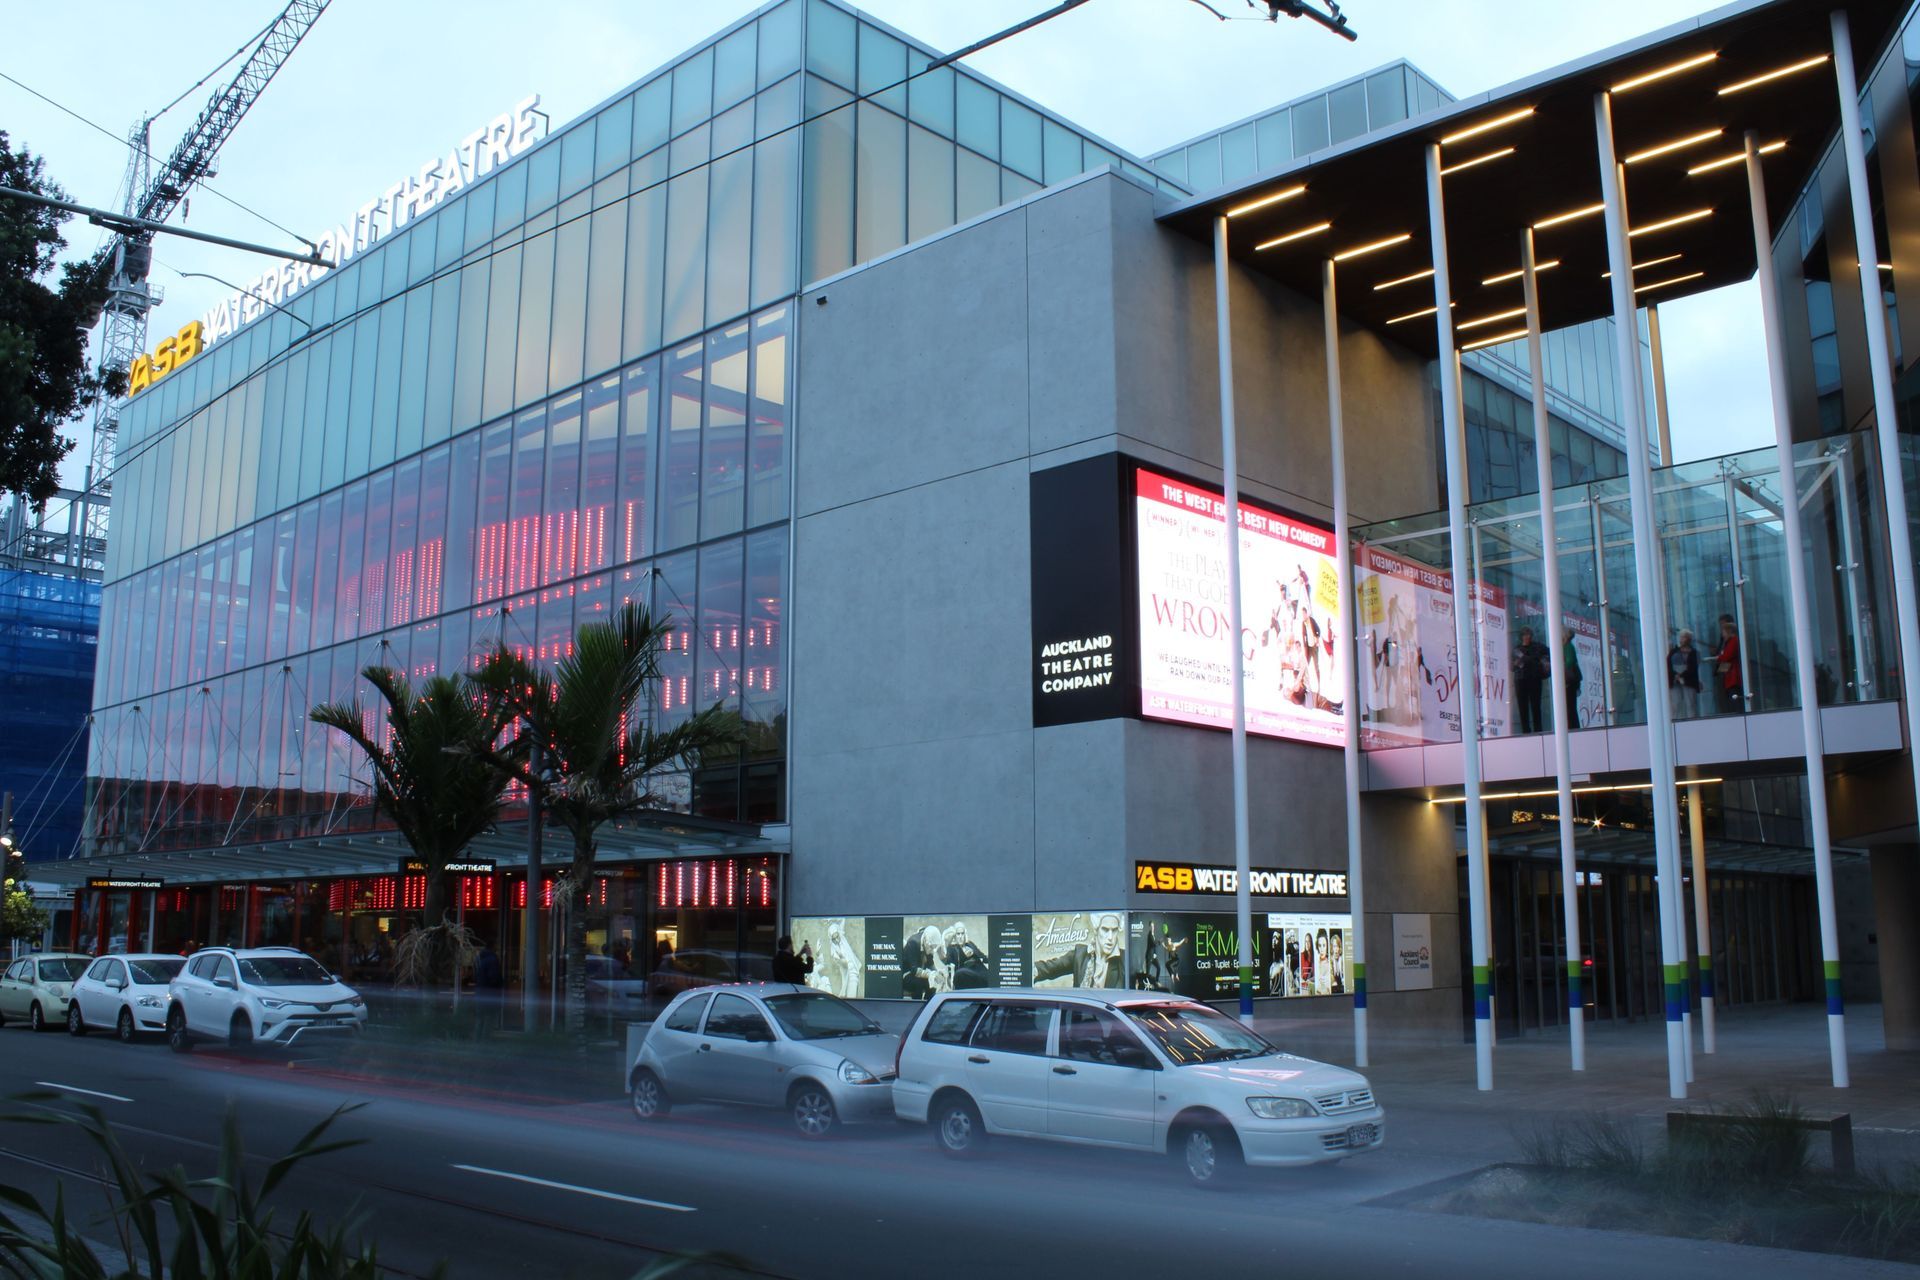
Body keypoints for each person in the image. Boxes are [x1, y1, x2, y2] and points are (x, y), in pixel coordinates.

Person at [1033, 913, 1126, 988]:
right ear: (1096, 930)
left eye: (1114, 930)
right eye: (1105, 929)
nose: (1110, 937)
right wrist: (1023, 971)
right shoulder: (1080, 954)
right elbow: (1050, 968)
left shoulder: (1125, 960)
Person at [1512, 626, 1549, 734]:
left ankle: (1538, 730)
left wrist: (1544, 663)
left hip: (1534, 679)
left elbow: (1550, 654)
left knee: (1535, 706)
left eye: (1528, 634)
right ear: (1521, 637)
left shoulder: (1538, 647)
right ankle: (1526, 732)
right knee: (1523, 707)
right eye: (1524, 635)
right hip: (1521, 680)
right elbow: (1511, 666)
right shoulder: (1516, 649)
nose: (1527, 637)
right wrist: (1516, 664)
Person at [1667, 629, 1702, 720]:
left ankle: (1692, 722)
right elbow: (1668, 665)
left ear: (1689, 639)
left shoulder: (1694, 653)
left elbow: (1693, 667)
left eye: (1684, 637)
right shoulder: (1674, 652)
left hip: (1688, 680)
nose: (1681, 639)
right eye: (1681, 637)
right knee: (1676, 704)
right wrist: (1676, 675)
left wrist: (1681, 675)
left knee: (1690, 703)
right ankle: (1675, 723)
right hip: (1674, 680)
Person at [1714, 614, 1744, 714]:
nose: (1722, 634)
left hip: (1733, 676)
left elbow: (1726, 656)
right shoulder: (1728, 642)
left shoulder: (1733, 641)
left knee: (1735, 701)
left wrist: (1719, 657)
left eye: (1723, 631)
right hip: (1728, 675)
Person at [1561, 626, 1583, 729]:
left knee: (1570, 706)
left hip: (1569, 680)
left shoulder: (1568, 647)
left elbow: (1570, 662)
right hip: (1571, 680)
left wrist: (1561, 665)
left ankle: (1573, 727)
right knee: (1569, 706)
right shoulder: (1567, 646)